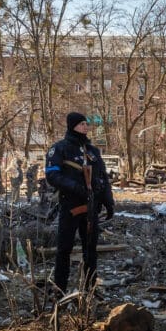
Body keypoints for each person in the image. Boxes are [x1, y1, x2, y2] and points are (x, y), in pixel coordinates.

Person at [45, 112, 115, 293]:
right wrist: (75, 187)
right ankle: (60, 289)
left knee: (90, 251)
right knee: (64, 249)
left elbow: (103, 178)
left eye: (86, 123)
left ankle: (89, 290)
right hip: (70, 206)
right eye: (82, 123)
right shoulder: (60, 149)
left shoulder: (93, 151)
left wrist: (109, 201)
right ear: (73, 126)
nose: (86, 126)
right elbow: (52, 175)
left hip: (92, 207)